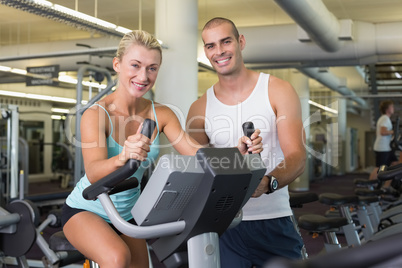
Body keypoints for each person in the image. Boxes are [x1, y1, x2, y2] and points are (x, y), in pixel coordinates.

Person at [62, 30, 262, 268]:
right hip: (87, 208)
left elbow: (196, 153)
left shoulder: (162, 113)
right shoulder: (96, 114)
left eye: (152, 68)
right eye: (135, 65)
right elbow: (94, 173)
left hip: (127, 215)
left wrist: (235, 153)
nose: (143, 76)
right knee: (116, 258)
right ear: (117, 64)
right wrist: (123, 157)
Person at [186, 17, 306, 267]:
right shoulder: (199, 107)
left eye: (226, 41)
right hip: (222, 225)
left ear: (240, 42)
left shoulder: (277, 90)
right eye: (210, 46)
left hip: (273, 219)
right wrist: (232, 159)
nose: (218, 51)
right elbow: (197, 169)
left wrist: (267, 182)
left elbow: (297, 156)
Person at [369, 100, 398, 185]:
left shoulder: (385, 118)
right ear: (388, 109)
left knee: (394, 165)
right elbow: (383, 132)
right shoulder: (384, 118)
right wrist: (394, 132)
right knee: (379, 168)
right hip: (382, 148)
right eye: (392, 107)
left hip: (387, 148)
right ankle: (369, 186)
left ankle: (386, 188)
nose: (393, 108)